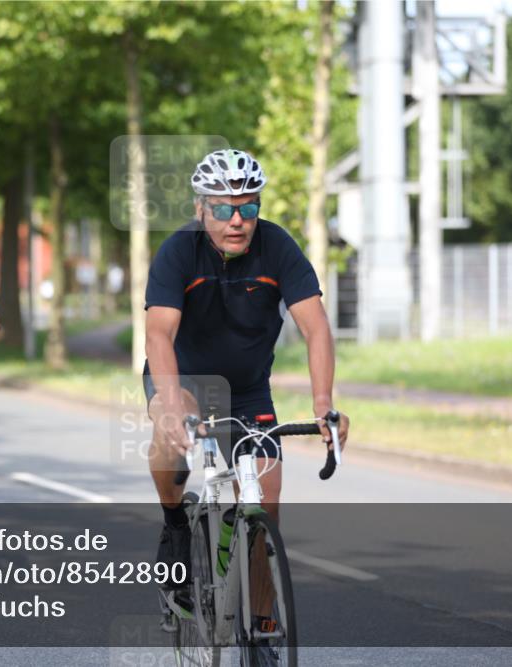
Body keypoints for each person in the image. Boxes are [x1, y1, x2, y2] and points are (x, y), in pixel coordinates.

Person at [143, 149, 351, 637]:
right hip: (183, 378)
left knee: (264, 498)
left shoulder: (277, 247)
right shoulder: (177, 252)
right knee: (170, 433)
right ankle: (175, 524)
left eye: (249, 208)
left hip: (249, 388)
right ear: (201, 208)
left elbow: (316, 328)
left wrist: (324, 406)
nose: (237, 220)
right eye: (223, 209)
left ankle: (261, 623)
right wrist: (172, 405)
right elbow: (158, 336)